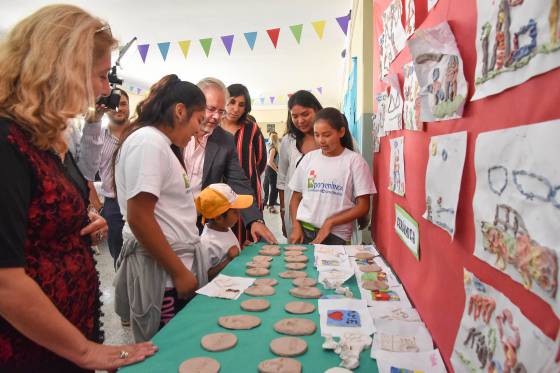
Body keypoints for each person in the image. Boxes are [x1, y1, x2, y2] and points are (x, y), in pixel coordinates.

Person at [0, 5, 157, 371]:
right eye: (101, 76)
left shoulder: (42, 135)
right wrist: (86, 352)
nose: (105, 88)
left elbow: (37, 214)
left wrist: (81, 219)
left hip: (61, 339)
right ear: (61, 67)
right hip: (27, 351)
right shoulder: (7, 142)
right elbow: (5, 280)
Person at [113, 74, 209, 342]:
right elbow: (139, 217)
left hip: (173, 269)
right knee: (169, 348)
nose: (198, 131)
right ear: (180, 111)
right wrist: (179, 272)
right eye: (199, 120)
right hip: (165, 277)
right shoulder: (148, 142)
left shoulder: (161, 145)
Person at [184, 77, 276, 245]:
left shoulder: (224, 139)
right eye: (211, 109)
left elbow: (238, 181)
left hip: (199, 222)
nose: (216, 117)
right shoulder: (175, 131)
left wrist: (256, 220)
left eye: (221, 111)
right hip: (166, 220)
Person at [288, 108, 376, 245]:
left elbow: (363, 206)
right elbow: (295, 198)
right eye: (317, 135)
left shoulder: (355, 161)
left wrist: (331, 222)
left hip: (337, 235)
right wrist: (296, 227)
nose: (321, 141)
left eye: (327, 135)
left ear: (341, 132)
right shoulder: (309, 159)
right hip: (306, 232)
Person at [221, 83, 267, 244]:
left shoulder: (251, 128)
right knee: (223, 234)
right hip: (220, 193)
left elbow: (261, 161)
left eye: (241, 105)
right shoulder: (214, 128)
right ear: (224, 101)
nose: (235, 109)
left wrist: (248, 175)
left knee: (250, 235)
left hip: (248, 190)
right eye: (232, 102)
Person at [277, 90, 323, 238]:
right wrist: (283, 213)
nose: (300, 121)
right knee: (297, 258)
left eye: (305, 114)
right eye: (294, 116)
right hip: (296, 215)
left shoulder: (332, 137)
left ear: (317, 110)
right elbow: (282, 179)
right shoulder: (288, 141)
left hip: (326, 213)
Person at [95, 89, 130, 267]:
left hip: (138, 201)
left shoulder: (140, 133)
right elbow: (86, 173)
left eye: (123, 103)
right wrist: (99, 207)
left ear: (129, 106)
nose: (118, 108)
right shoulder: (97, 136)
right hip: (113, 205)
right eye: (113, 104)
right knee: (118, 254)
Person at [195, 183, 253, 279]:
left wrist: (242, 249)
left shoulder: (225, 228)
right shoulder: (206, 243)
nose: (239, 215)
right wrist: (229, 260)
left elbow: (228, 251)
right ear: (218, 218)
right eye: (235, 212)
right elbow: (205, 276)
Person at [263, 131, 280, 213]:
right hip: (271, 169)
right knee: (274, 188)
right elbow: (270, 162)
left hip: (268, 169)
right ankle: (271, 205)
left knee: (268, 186)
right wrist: (277, 171)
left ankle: (267, 203)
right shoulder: (273, 148)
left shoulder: (268, 146)